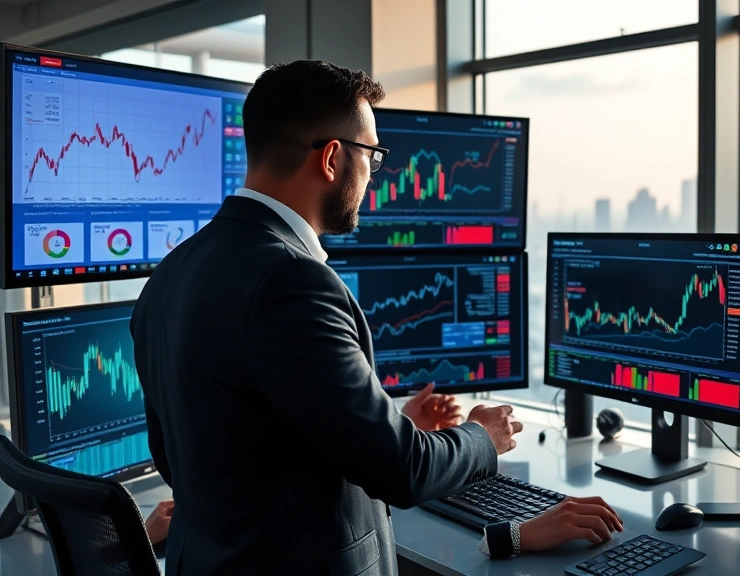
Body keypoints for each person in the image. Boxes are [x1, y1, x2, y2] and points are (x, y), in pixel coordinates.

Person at [130, 60, 620, 576]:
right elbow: (401, 472)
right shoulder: (291, 281)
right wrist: (481, 436)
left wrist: (382, 427)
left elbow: (198, 454)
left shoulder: (172, 271)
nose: (372, 174)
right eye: (373, 154)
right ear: (333, 158)